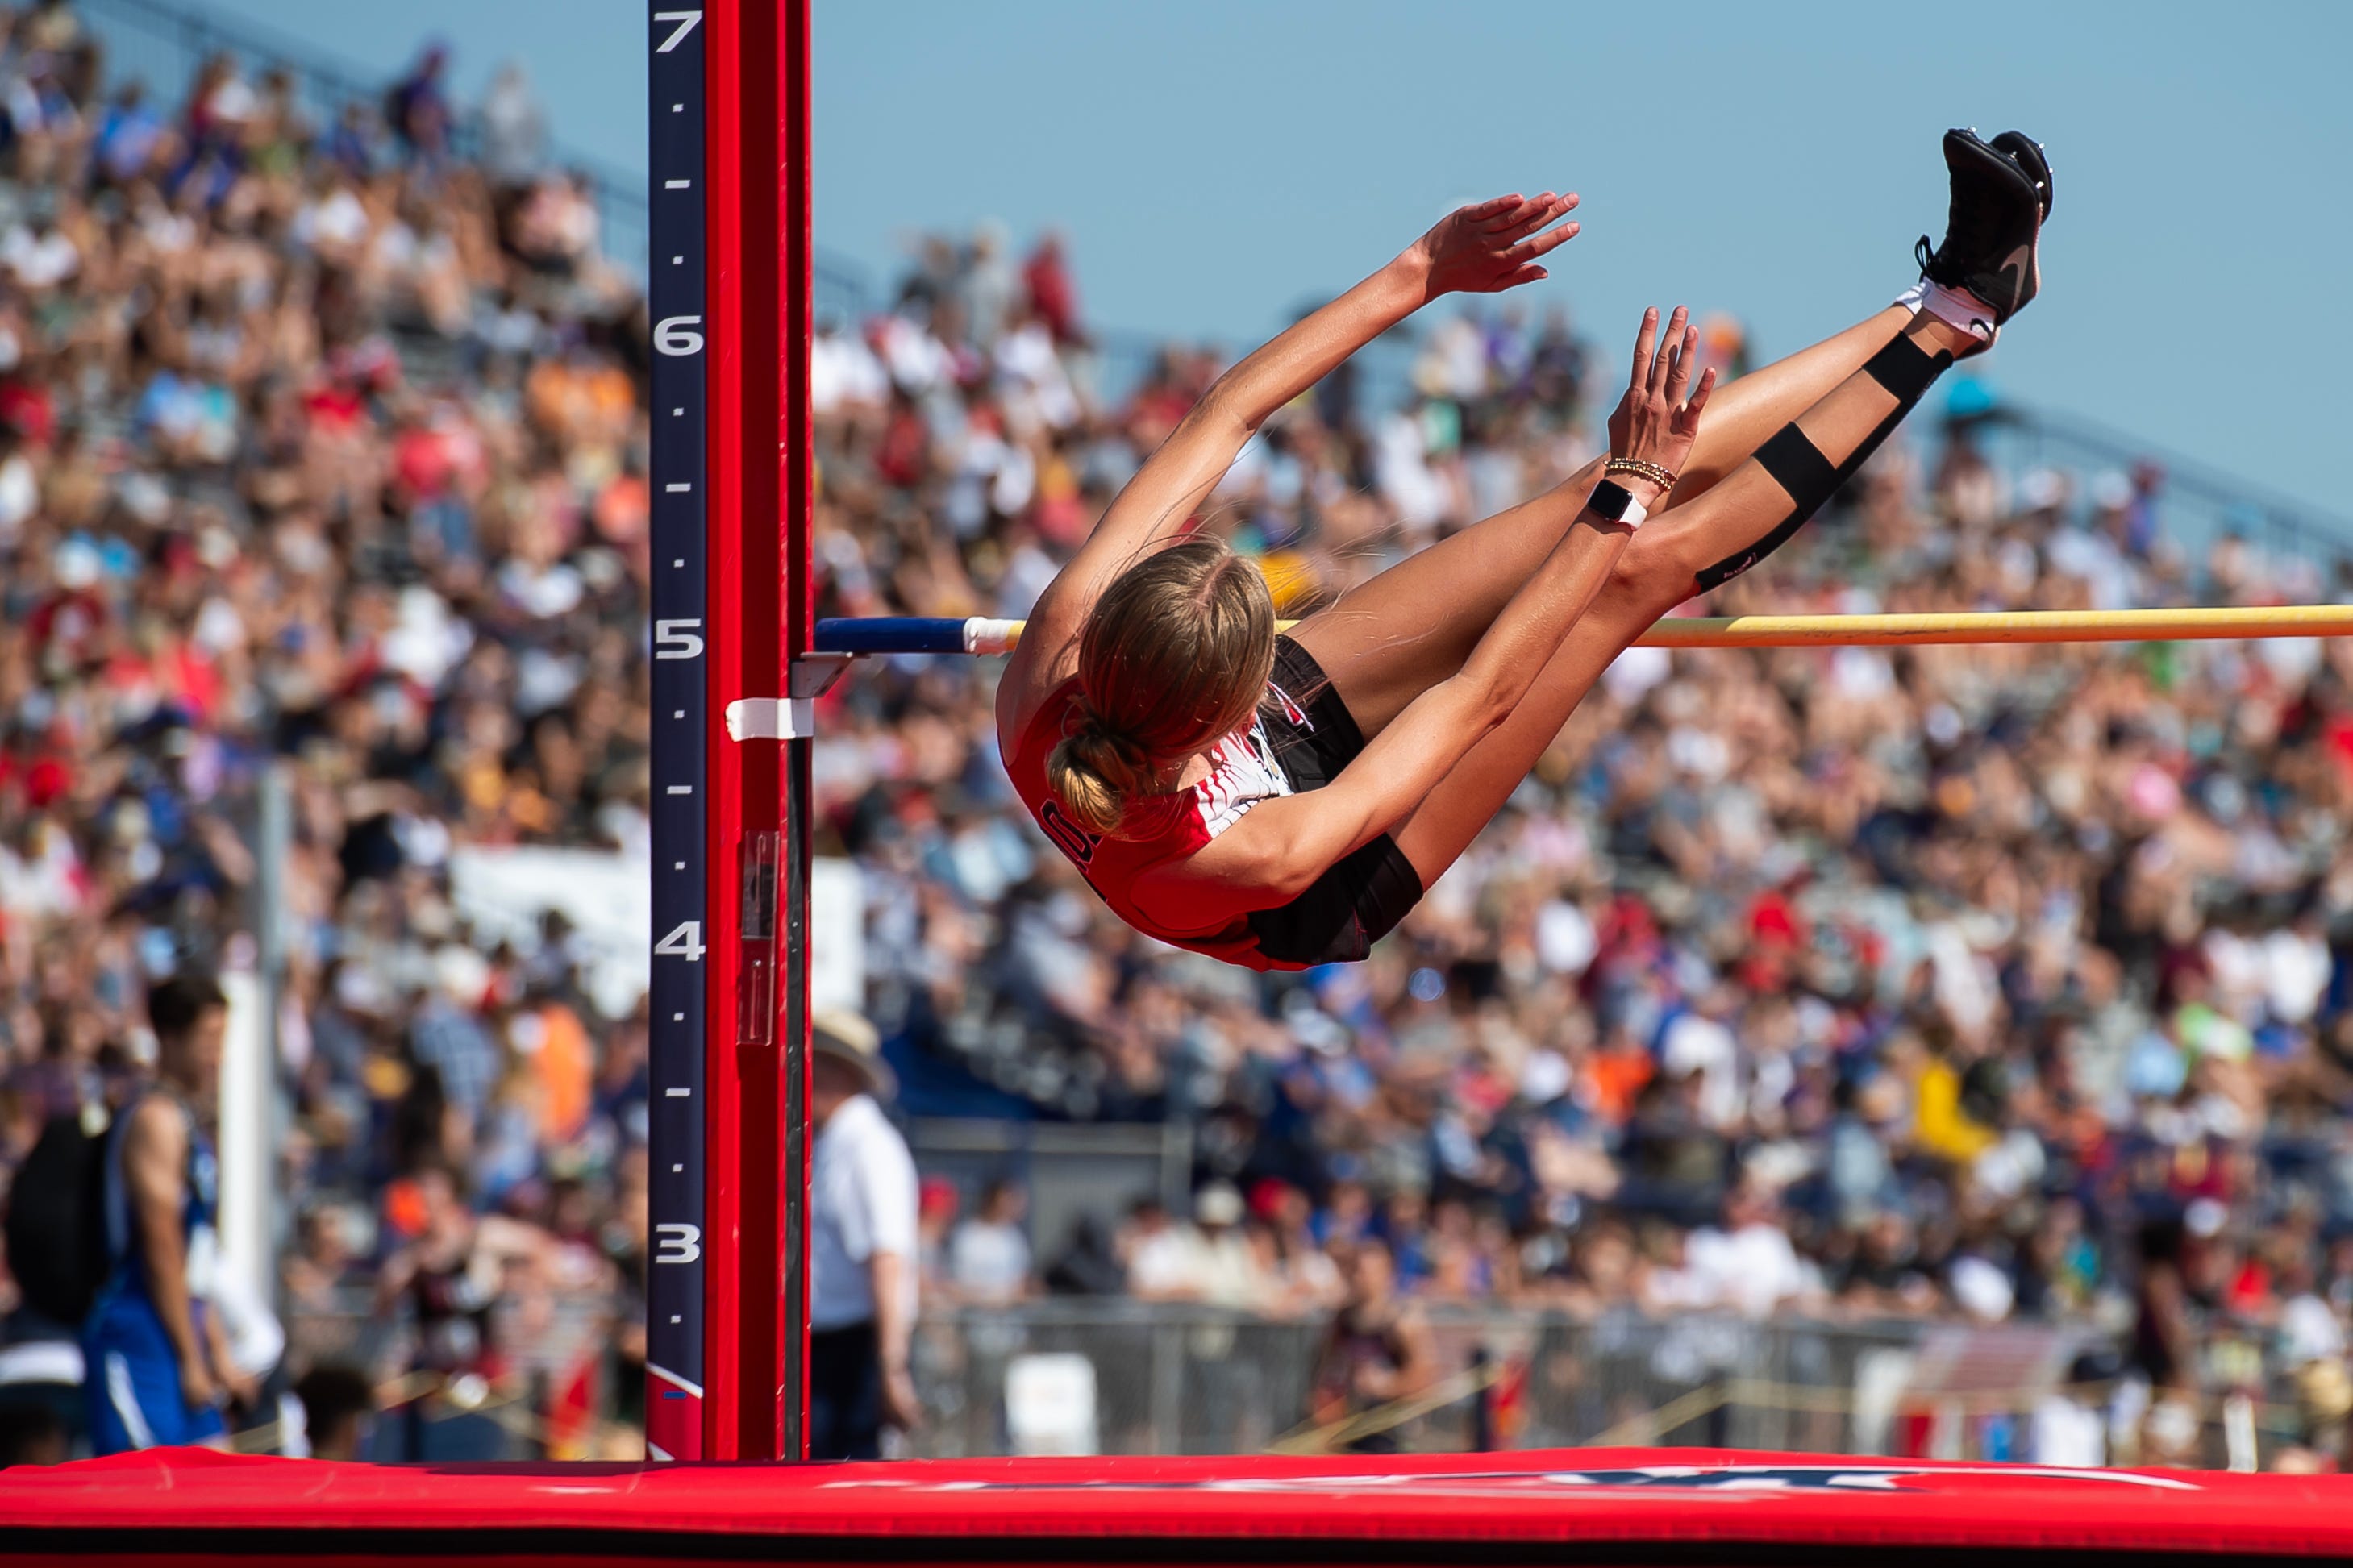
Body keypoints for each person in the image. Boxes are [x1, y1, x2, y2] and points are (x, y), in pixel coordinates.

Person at [999, 130, 2051, 970]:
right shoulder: (1251, 853)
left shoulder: (1053, 649)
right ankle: (1946, 335)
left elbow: (1223, 418)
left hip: (1248, 739)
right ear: (1220, 715)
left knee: (1580, 503)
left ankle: (1950, 291)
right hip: (1320, 883)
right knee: (1626, 573)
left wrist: (1417, 272)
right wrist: (1630, 494)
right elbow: (1477, 699)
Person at [83, 974, 248, 1454]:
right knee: (148, 1498)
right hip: (140, 1330)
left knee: (217, 1481)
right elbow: (161, 1247)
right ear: (170, 1039)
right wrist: (190, 1357)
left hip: (181, 1326)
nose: (217, 1056)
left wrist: (214, 1349)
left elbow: (195, 1257)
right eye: (207, 1040)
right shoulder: (155, 1120)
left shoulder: (186, 1123)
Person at [807, 1009, 920, 1460]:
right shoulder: (838, 1143)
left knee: (846, 1473)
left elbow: (886, 1258)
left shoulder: (867, 1147)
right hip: (838, 1342)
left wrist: (890, 1365)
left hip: (853, 1345)